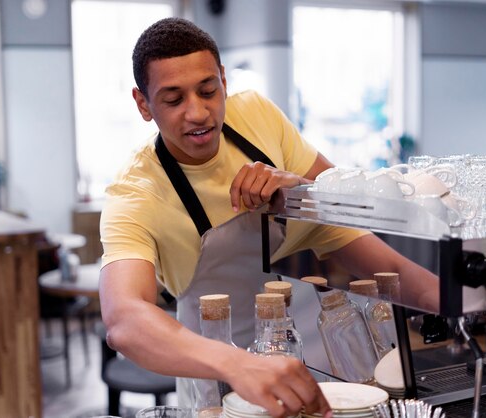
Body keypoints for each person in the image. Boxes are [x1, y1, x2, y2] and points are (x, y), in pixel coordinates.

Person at [99, 17, 438, 418]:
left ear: (223, 79)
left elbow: (349, 215)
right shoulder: (136, 191)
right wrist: (241, 365)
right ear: (143, 104)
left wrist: (297, 188)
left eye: (209, 91)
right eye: (173, 100)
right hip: (222, 385)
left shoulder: (257, 115)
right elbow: (124, 321)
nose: (198, 113)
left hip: (331, 371)